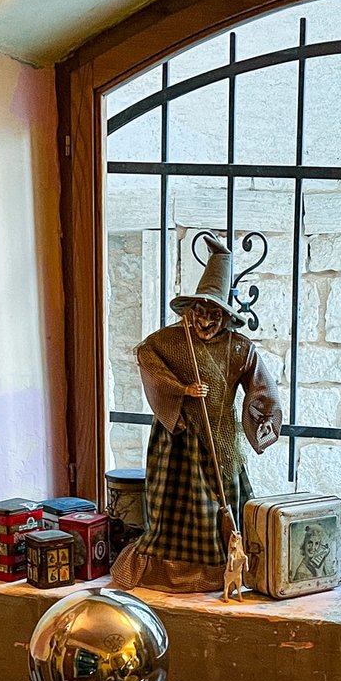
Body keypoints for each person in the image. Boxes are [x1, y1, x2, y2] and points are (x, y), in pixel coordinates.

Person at [110, 235, 282, 593]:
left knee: (222, 503)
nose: (205, 320)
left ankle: (226, 567)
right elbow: (147, 360)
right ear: (190, 310)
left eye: (214, 314)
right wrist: (181, 389)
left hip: (220, 440)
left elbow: (261, 389)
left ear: (225, 316)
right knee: (173, 508)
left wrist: (264, 420)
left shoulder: (239, 348)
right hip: (178, 439)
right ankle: (167, 571)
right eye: (200, 312)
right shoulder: (168, 341)